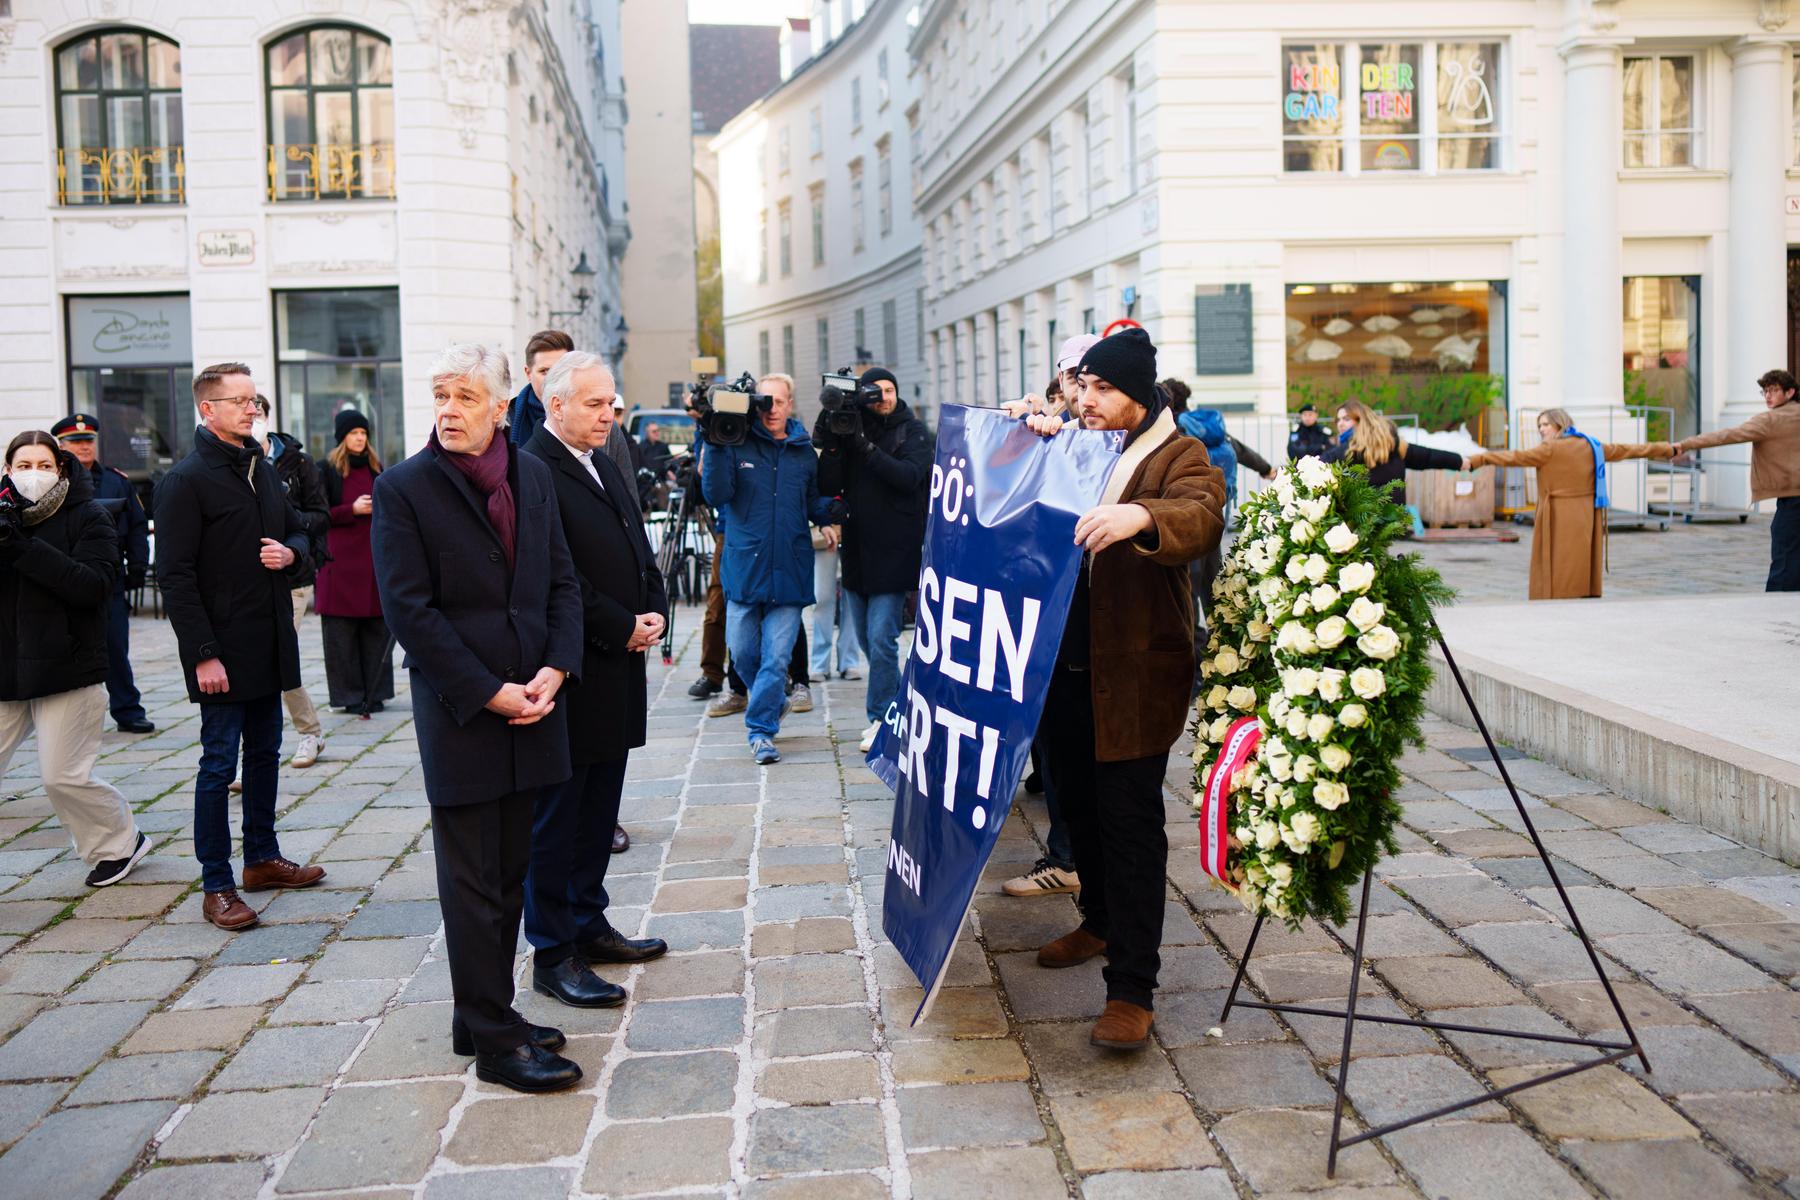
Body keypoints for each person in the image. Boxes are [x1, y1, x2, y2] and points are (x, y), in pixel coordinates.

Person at [372, 343, 584, 1093]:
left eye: (465, 396)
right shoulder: (405, 489)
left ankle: (482, 1013)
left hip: (536, 702)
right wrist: (489, 690)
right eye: (440, 395)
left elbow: (561, 580)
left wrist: (556, 669)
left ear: (501, 407)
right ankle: (496, 1040)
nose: (449, 409)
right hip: (465, 711)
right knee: (473, 879)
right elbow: (411, 613)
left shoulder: (530, 473)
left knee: (512, 871)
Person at [1023, 327, 1225, 1051]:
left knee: (1131, 826)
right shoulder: (1083, 441)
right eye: (1082, 386)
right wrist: (1030, 433)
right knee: (1077, 809)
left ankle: (1132, 988)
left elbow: (1201, 513)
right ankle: (1099, 922)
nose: (1086, 398)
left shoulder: (1180, 453)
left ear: (1138, 393)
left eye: (1103, 388)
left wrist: (1141, 515)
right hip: (1063, 670)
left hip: (1135, 675)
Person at [521, 351, 671, 1009]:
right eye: (594, 403)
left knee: (600, 809)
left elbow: (636, 547)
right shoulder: (534, 469)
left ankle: (588, 921)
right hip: (573, 668)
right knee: (561, 819)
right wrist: (619, 624)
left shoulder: (602, 462)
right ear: (556, 405)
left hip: (615, 667)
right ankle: (554, 952)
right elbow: (554, 576)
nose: (609, 413)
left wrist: (657, 607)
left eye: (611, 402)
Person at [155, 363, 325, 932]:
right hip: (221, 649)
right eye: (242, 401)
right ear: (209, 409)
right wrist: (203, 652)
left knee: (265, 754)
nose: (254, 409)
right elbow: (174, 575)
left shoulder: (264, 469)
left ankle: (261, 860)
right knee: (217, 764)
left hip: (270, 638)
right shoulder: (186, 480)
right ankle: (217, 885)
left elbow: (301, 529)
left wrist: (292, 554)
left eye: (255, 400)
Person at [0, 432, 148, 886]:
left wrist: (24, 549)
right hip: (6, 667)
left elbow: (93, 585)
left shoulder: (89, 516)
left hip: (68, 667)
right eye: (22, 465)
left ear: (60, 469)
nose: (32, 474)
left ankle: (119, 842)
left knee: (62, 777)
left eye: (43, 465)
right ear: (7, 470)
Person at [700, 372, 839, 764]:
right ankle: (774, 700)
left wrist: (828, 516)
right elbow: (716, 494)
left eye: (779, 401)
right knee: (743, 653)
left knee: (777, 658)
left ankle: (760, 731)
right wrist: (714, 443)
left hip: (791, 568)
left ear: (790, 404)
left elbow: (811, 501)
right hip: (746, 567)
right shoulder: (736, 442)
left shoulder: (802, 452)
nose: (772, 409)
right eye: (764, 401)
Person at [813, 367, 933, 754]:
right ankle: (903, 705)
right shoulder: (853, 428)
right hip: (860, 551)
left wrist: (864, 447)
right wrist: (834, 440)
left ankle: (882, 719)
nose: (884, 397)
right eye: (876, 392)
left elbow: (909, 476)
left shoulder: (912, 431)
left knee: (882, 638)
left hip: (897, 550)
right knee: (865, 637)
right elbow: (830, 484)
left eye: (890, 389)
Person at [1465, 409, 1674, 600]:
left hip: (1557, 512)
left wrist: (1480, 459)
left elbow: (1515, 457)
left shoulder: (1550, 448)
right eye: (1539, 425)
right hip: (1586, 511)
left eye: (1545, 424)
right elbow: (1629, 450)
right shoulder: (1591, 445)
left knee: (1557, 560)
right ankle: (1581, 592)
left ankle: (1557, 597)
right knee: (1578, 557)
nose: (1541, 429)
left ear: (1559, 423)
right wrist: (1667, 449)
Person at [52, 415, 153, 734]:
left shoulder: (116, 480)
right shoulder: (53, 481)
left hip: (109, 578)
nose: (84, 447)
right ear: (61, 446)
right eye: (75, 442)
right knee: (65, 649)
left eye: (88, 441)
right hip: (64, 579)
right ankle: (70, 718)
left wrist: (138, 566)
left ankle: (127, 709)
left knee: (114, 647)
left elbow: (138, 525)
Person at [255, 395, 330, 768]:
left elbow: (320, 514)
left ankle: (308, 733)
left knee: (279, 654)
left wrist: (285, 521)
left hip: (292, 578)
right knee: (251, 663)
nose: (250, 418)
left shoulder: (297, 463)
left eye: (256, 411)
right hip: (247, 581)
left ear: (267, 417)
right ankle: (252, 750)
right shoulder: (230, 465)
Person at [1675, 368, 1800, 590]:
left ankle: (1775, 608)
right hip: (1790, 498)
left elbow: (1725, 436)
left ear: (1790, 392)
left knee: (1784, 558)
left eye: (1774, 390)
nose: (1768, 396)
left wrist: (1685, 445)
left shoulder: (1768, 421)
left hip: (1792, 501)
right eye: (1765, 391)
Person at [315, 410, 394, 713]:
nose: (360, 438)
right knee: (341, 634)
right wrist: (352, 509)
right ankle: (348, 696)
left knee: (376, 629)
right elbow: (319, 513)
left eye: (363, 433)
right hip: (340, 564)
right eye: (353, 433)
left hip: (373, 560)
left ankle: (375, 692)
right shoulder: (327, 470)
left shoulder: (377, 468)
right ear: (342, 437)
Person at [1324, 398, 1464, 497]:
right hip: (1393, 523)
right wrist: (1459, 461)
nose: (1340, 424)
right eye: (1338, 420)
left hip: (1366, 526)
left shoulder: (1349, 451)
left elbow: (1427, 456)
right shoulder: (1393, 444)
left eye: (1346, 419)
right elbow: (1427, 456)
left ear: (1361, 420)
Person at [807, 518, 863, 683]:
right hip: (823, 527)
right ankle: (819, 662)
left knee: (852, 597)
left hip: (855, 527)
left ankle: (849, 661)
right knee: (822, 598)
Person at [508, 329, 573, 450]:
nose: (553, 378)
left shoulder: (599, 424)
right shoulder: (504, 423)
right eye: (545, 371)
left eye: (561, 370)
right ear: (528, 374)